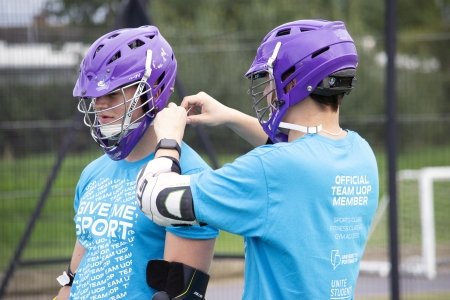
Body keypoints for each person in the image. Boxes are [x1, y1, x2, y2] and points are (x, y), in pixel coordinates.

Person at [136, 19, 379, 299]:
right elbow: (297, 151)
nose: (266, 91)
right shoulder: (361, 153)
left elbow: (155, 197)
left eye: (270, 80)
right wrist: (230, 117)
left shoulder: (274, 168)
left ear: (295, 81)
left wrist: (168, 140)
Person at [55, 25, 218, 300]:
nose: (99, 105)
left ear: (153, 92)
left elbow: (179, 295)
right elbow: (73, 277)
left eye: (113, 94)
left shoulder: (189, 176)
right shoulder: (93, 172)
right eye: (95, 95)